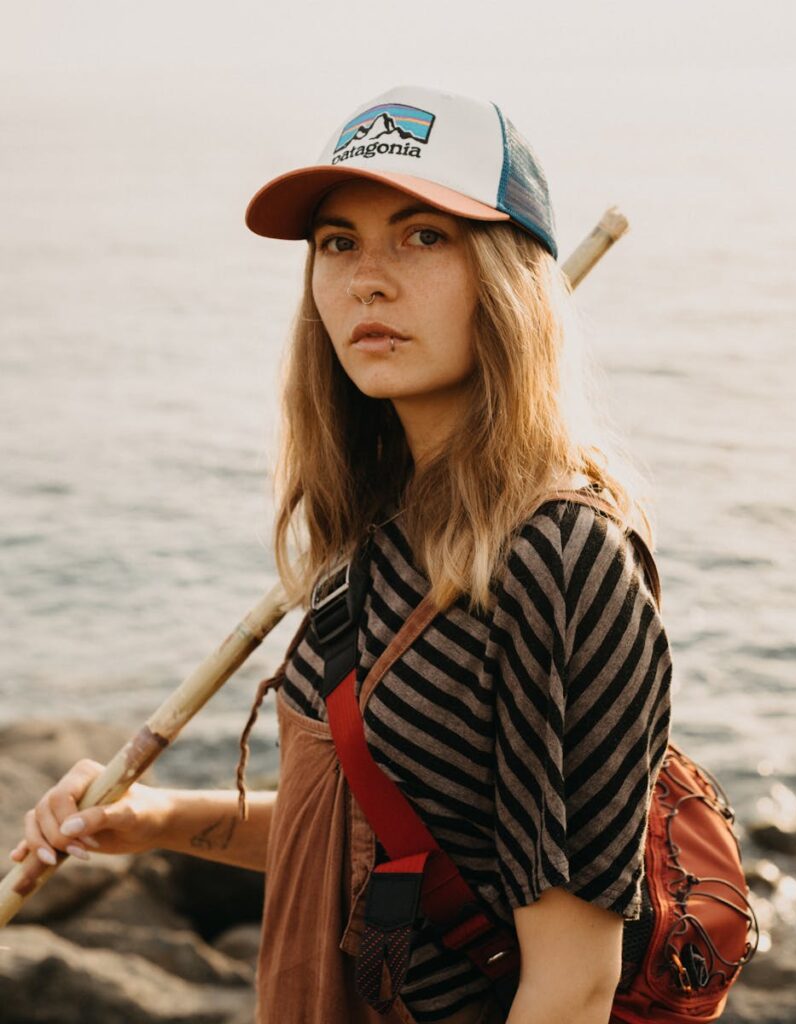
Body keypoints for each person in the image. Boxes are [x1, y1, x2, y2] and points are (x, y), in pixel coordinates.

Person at [11, 86, 673, 1024]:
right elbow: (370, 845)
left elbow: (572, 983)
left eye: (423, 236)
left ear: (511, 279)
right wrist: (154, 821)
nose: (367, 278)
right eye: (337, 242)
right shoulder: (377, 531)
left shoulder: (561, 557)